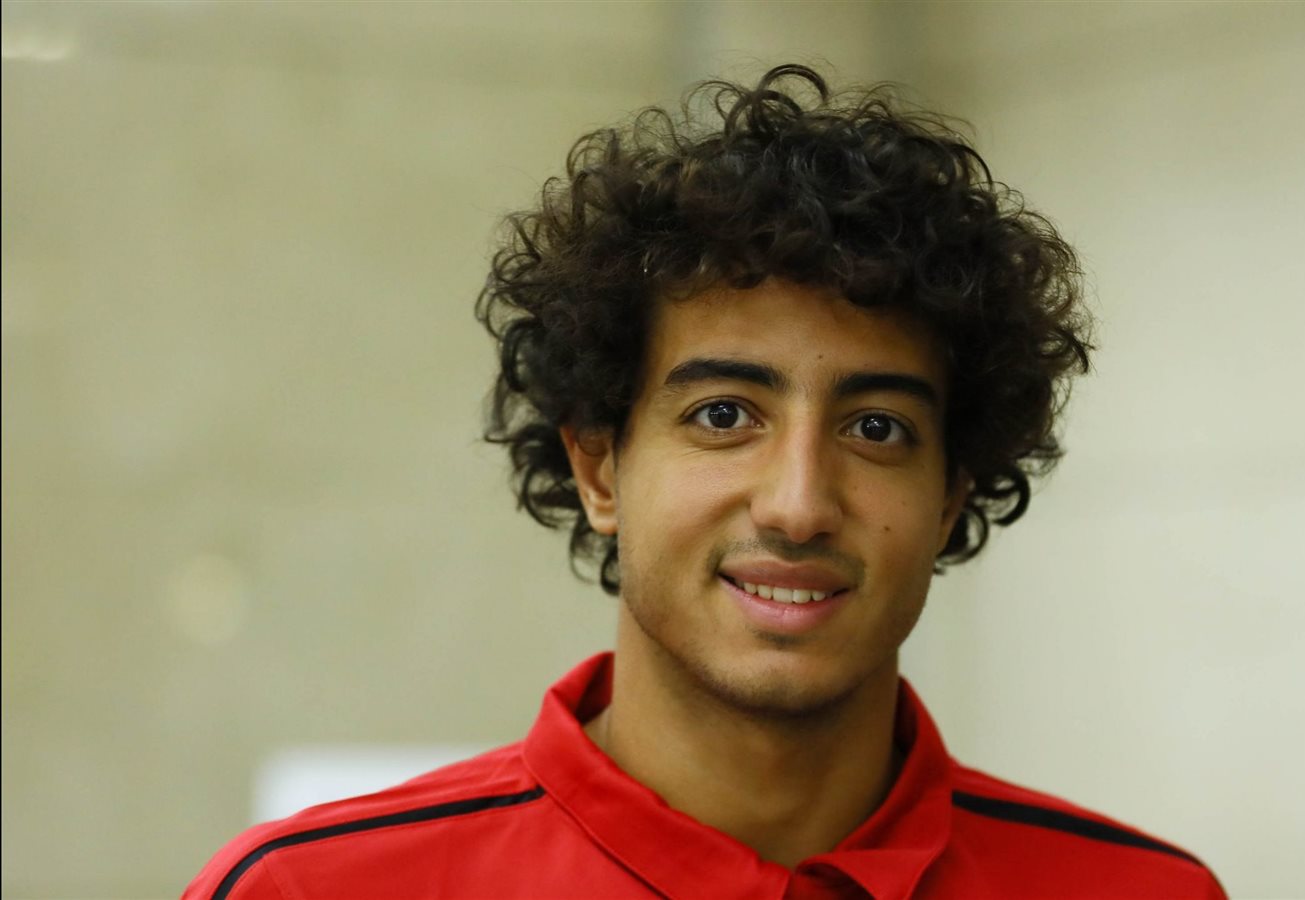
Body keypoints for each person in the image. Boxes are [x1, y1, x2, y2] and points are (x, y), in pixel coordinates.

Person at [185, 63, 1226, 899]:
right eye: (724, 416)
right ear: (599, 466)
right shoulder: (309, 890)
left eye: (876, 428)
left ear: (951, 493)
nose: (798, 504)